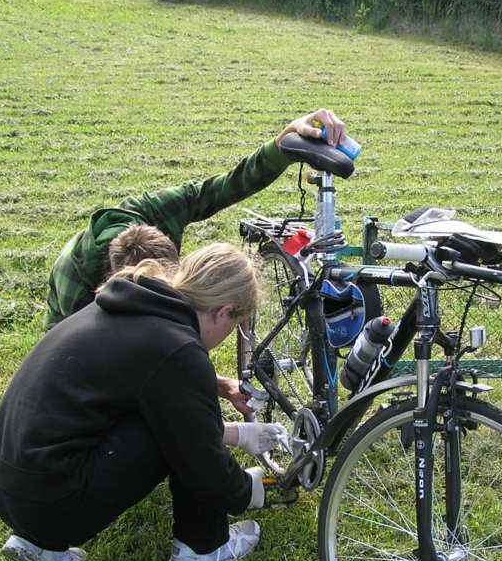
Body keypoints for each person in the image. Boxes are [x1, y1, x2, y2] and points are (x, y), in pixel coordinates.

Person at [0, 243, 288, 561]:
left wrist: (217, 393)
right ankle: (203, 547)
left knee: (175, 415)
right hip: (52, 505)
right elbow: (200, 458)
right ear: (223, 312)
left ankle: (41, 545)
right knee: (182, 434)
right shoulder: (178, 350)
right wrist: (247, 490)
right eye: (237, 324)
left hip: (9, 488)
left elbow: (142, 375)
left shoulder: (132, 301)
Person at [43, 108, 347, 412]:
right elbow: (125, 369)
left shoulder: (155, 212)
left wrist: (285, 142)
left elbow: (228, 185)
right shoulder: (79, 302)